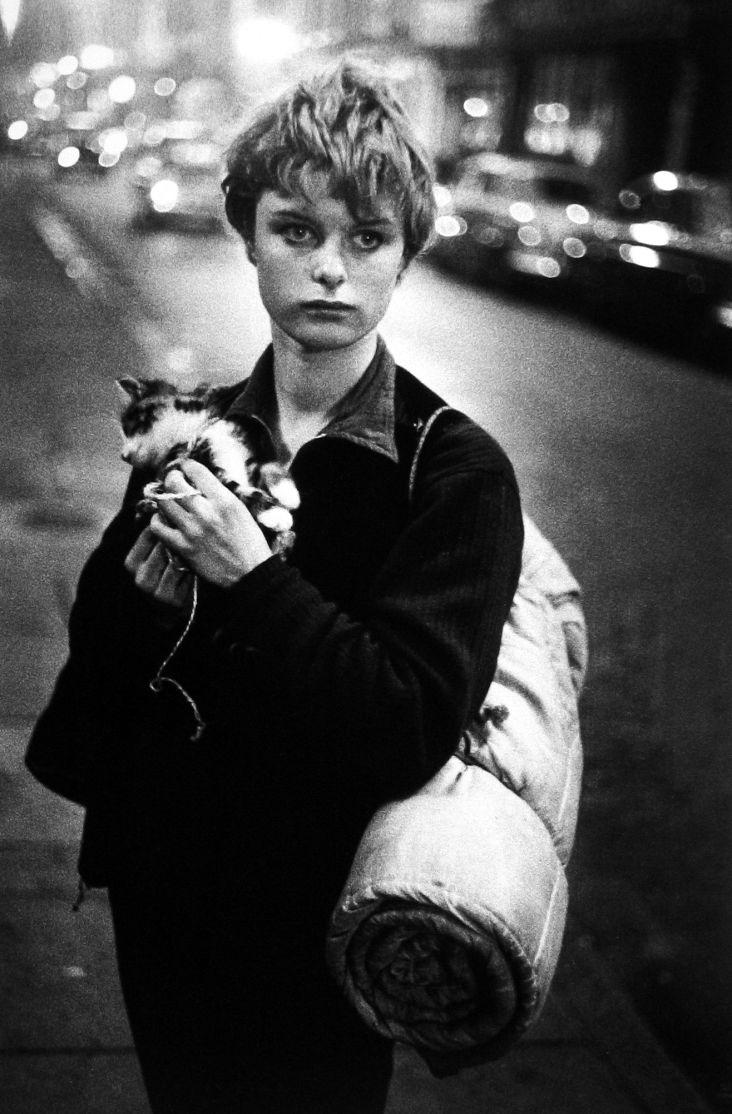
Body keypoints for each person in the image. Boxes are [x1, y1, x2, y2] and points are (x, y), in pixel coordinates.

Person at [27, 58, 524, 1113]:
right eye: (299, 231)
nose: (332, 269)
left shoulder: (453, 472)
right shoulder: (194, 426)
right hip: (166, 893)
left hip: (323, 922)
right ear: (248, 235)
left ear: (405, 255)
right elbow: (107, 658)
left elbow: (408, 719)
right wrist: (141, 595)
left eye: (366, 238)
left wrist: (252, 578)